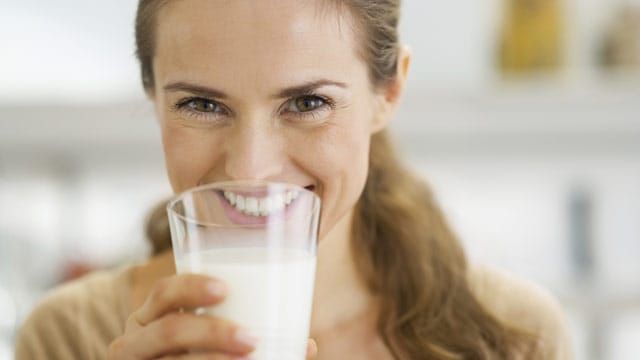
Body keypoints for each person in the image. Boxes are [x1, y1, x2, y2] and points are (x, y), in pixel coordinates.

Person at [15, 0, 574, 359]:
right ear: (153, 98)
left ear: (389, 93)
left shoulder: (513, 335)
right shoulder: (71, 338)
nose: (250, 168)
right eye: (202, 104)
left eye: (308, 102)